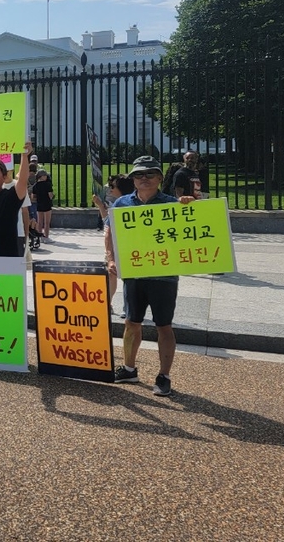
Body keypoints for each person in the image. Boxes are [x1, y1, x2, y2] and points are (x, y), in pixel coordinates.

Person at [107, 155, 195, 397]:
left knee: (163, 326)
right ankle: (129, 368)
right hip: (134, 274)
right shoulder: (122, 203)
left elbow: (193, 223)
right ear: (133, 179)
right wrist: (111, 258)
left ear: (159, 177)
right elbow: (109, 231)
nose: (143, 178)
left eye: (149, 174)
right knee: (131, 322)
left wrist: (190, 205)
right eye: (138, 174)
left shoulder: (172, 204)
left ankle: (164, 375)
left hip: (163, 276)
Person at [92, 173, 136, 312]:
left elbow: (108, 223)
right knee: (113, 274)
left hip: (125, 245)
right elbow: (108, 222)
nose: (110, 190)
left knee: (126, 278)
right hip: (116, 244)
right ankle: (112, 304)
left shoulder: (126, 204)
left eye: (112, 187)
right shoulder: (118, 202)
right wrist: (100, 206)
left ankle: (126, 306)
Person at [32, 169, 54, 239]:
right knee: (47, 223)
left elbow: (33, 197)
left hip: (39, 204)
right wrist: (52, 196)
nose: (46, 177)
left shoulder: (35, 185)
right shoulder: (48, 184)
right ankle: (46, 237)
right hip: (47, 204)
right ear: (42, 176)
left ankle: (40, 237)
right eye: (45, 175)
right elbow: (50, 195)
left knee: (40, 222)